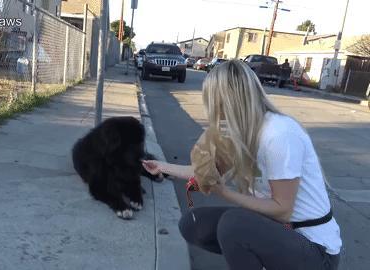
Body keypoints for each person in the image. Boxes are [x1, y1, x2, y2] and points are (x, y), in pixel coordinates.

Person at [142, 60, 341, 270]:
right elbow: (206, 172)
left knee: (233, 225)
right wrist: (161, 166)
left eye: (212, 100)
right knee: (194, 224)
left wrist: (224, 193)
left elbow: (282, 209)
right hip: (280, 230)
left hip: (315, 250)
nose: (211, 109)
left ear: (227, 100)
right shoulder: (239, 132)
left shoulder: (279, 134)